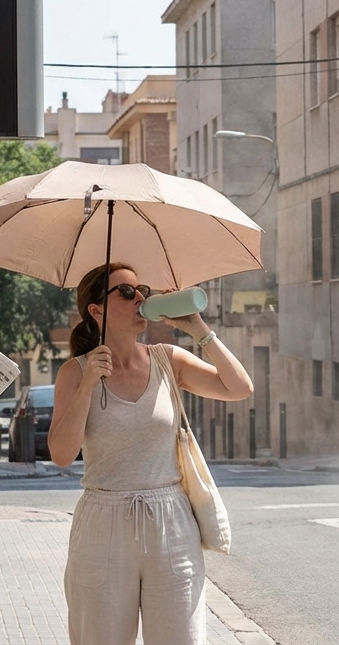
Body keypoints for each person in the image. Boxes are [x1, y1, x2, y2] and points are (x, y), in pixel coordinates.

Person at [48, 262, 254, 645]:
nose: (140, 297)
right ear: (96, 310)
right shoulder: (74, 373)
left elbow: (239, 387)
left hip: (171, 520)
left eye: (140, 289)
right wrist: (90, 382)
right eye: (126, 292)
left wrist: (199, 329)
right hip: (103, 521)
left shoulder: (167, 359)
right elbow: (62, 454)